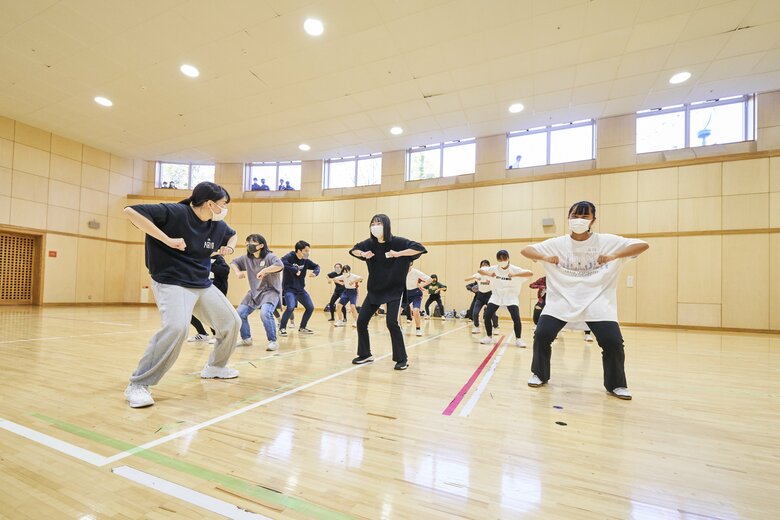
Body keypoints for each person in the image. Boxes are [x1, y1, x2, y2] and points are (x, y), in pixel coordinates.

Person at [122, 181, 241, 408]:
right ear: (209, 204)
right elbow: (131, 211)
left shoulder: (217, 225)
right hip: (171, 282)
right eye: (223, 204)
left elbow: (232, 235)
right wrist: (166, 239)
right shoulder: (175, 212)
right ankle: (138, 384)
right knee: (177, 328)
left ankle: (215, 367)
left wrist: (230, 248)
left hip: (201, 283)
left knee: (231, 321)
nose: (225, 209)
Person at [521, 200, 649, 400]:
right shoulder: (557, 243)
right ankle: (539, 373)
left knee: (612, 342)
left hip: (597, 302)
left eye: (585, 216)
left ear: (593, 220)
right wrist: (546, 258)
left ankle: (616, 385)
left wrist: (613, 255)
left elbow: (642, 245)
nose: (579, 220)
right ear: (569, 218)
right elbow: (526, 250)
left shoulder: (607, 241)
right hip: (561, 301)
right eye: (575, 216)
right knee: (542, 335)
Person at [349, 214, 427, 370]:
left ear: (386, 225)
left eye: (379, 222)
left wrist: (399, 254)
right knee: (361, 321)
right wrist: (363, 254)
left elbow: (420, 248)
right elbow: (354, 250)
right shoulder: (369, 244)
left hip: (394, 290)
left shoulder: (398, 242)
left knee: (392, 323)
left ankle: (402, 358)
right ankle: (365, 354)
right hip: (375, 290)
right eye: (373, 223)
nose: (375, 225)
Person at [232, 234, 284, 351]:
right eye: (247, 244)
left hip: (270, 291)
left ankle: (273, 341)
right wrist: (238, 272)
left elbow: (280, 265)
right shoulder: (246, 258)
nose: (248, 246)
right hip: (254, 292)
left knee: (265, 313)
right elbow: (234, 262)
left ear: (261, 245)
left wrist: (265, 270)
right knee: (239, 313)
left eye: (251, 244)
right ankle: (246, 338)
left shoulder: (270, 257)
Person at [478, 250, 532, 347]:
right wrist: (490, 275)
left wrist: (515, 275)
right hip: (496, 296)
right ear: (497, 260)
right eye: (500, 259)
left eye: (504, 258)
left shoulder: (514, 269)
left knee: (516, 318)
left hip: (510, 297)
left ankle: (518, 339)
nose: (502, 261)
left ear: (508, 258)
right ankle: (489, 337)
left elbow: (530, 273)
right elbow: (480, 271)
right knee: (487, 316)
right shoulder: (494, 268)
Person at [279, 240, 320, 335]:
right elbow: (281, 262)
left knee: (310, 307)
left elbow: (317, 266)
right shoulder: (290, 256)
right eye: (305, 251)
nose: (307, 253)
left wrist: (315, 272)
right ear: (298, 251)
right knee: (290, 307)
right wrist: (294, 269)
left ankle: (302, 327)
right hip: (289, 289)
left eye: (308, 251)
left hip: (300, 289)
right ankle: (282, 328)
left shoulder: (305, 261)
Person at [188, 253, 230, 342]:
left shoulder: (218, 259)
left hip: (215, 292)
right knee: (189, 312)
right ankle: (202, 333)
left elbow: (225, 271)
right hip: (200, 290)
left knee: (212, 314)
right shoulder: (198, 258)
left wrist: (207, 264)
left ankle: (216, 335)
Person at [464, 260, 499, 335]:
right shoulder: (478, 274)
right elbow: (466, 279)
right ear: (480, 266)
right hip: (480, 296)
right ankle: (476, 327)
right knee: (475, 313)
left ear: (489, 266)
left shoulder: (492, 274)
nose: (485, 266)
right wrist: (473, 278)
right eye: (483, 265)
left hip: (490, 296)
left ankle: (496, 327)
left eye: (486, 265)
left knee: (493, 314)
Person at [405, 261, 433, 336]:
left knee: (415, 311)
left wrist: (422, 285)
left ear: (410, 263)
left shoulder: (416, 272)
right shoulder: (401, 271)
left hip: (416, 293)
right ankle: (400, 328)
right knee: (398, 311)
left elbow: (430, 279)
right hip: (406, 293)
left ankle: (418, 329)